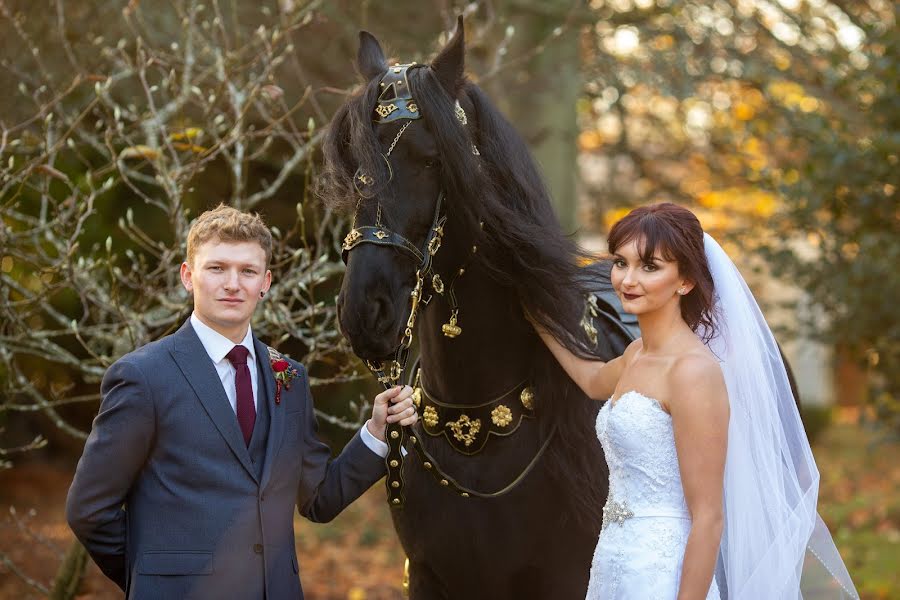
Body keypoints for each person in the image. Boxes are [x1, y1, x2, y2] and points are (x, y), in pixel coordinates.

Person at [66, 204, 418, 600]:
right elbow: (89, 509)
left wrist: (375, 433)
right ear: (188, 276)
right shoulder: (143, 377)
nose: (233, 283)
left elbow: (318, 499)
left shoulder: (291, 377)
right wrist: (153, 578)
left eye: (247, 271)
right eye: (217, 268)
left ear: (265, 282)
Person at [532, 203, 858, 599]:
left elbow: (708, 517)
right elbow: (591, 379)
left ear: (684, 281)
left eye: (649, 267)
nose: (628, 279)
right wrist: (536, 314)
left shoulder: (692, 371)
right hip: (614, 561)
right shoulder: (637, 354)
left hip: (664, 572)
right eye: (621, 262)